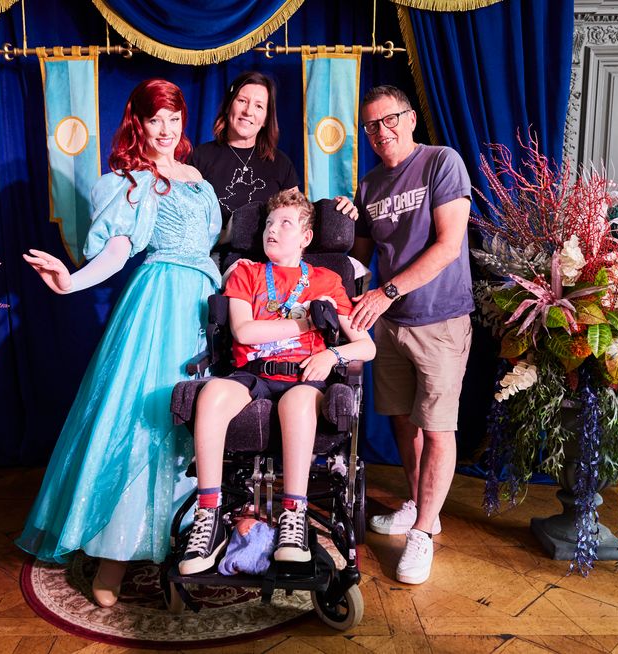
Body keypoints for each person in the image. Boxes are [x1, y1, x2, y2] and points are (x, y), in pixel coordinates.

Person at [16, 79, 222, 607]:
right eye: (155, 119)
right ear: (138, 122)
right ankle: (114, 556)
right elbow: (117, 252)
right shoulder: (130, 181)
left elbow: (210, 246)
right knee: (141, 421)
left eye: (174, 118)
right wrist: (72, 281)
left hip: (205, 307)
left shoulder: (198, 178)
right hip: (158, 307)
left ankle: (180, 553)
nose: (166, 129)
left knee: (196, 428)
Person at [178, 188, 375, 575]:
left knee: (299, 403)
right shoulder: (246, 273)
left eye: (285, 223)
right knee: (213, 393)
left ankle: (293, 518)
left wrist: (331, 354)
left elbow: (366, 347)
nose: (273, 229)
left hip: (302, 376)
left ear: (305, 237)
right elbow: (245, 332)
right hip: (252, 374)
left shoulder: (328, 281)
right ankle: (209, 515)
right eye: (269, 223)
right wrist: (307, 322)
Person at [349, 85, 473, 585]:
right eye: (372, 126)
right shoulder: (370, 185)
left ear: (411, 118)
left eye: (390, 119)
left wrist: (385, 292)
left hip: (440, 318)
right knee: (404, 422)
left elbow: (448, 246)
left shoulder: (442, 163)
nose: (382, 132)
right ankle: (422, 504)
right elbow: (359, 261)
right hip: (393, 325)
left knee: (438, 426)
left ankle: (422, 533)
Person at [190, 70, 357, 234]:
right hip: (214, 256)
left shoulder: (280, 163)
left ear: (265, 119)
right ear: (228, 106)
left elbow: (301, 217)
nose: (248, 111)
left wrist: (335, 209)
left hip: (267, 257)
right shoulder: (200, 158)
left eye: (259, 106)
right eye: (242, 101)